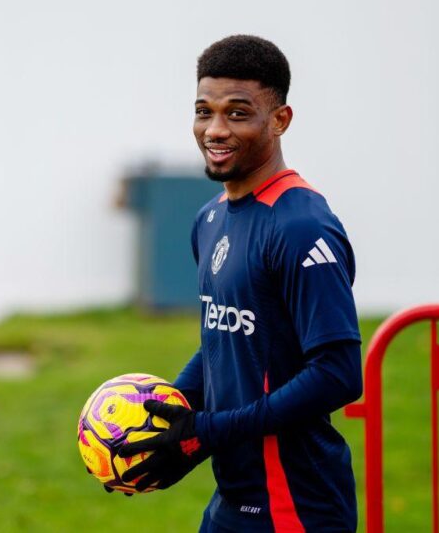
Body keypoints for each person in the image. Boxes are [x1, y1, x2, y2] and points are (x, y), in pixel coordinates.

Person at [118, 35, 363, 532]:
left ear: (280, 120)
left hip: (297, 505)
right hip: (233, 500)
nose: (215, 129)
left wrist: (208, 432)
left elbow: (339, 373)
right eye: (203, 111)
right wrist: (169, 420)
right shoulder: (209, 220)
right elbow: (225, 340)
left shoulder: (300, 225)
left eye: (237, 113)